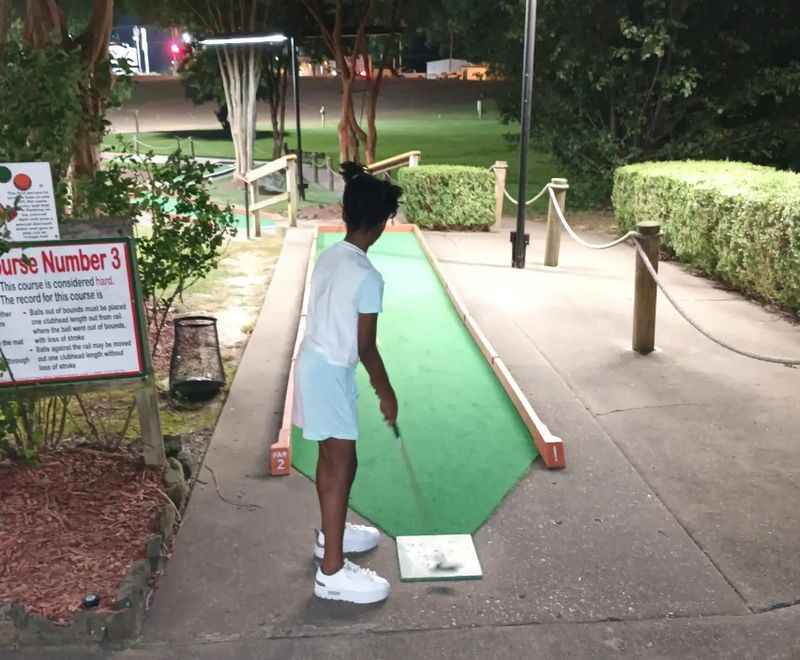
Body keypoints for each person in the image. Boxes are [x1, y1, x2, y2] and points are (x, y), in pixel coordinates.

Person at [293, 162, 402, 604]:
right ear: (379, 226)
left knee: (337, 461)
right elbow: (366, 348)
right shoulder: (368, 276)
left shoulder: (332, 254)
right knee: (341, 466)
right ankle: (332, 573)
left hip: (315, 365)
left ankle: (329, 538)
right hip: (330, 373)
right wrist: (386, 392)